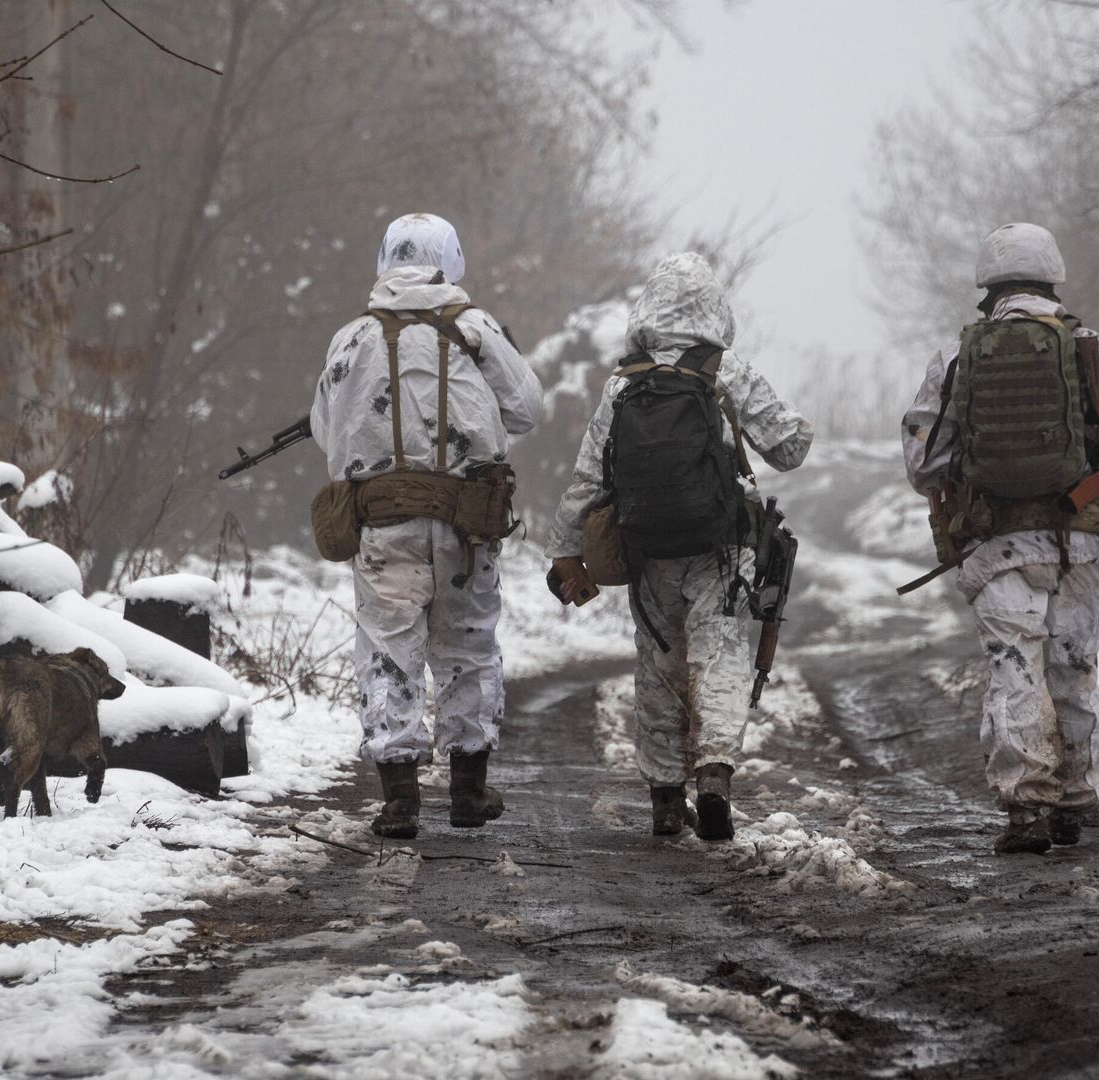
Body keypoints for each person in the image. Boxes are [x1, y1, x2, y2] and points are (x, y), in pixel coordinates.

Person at [901, 223, 1099, 854]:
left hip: (996, 546)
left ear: (988, 285)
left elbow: (922, 463)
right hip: (1084, 541)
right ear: (1052, 277)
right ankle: (1075, 801)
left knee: (1016, 667)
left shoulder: (958, 357)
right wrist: (1085, 491)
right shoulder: (1093, 349)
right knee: (1074, 666)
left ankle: (1028, 808)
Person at [546, 252, 814, 841]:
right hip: (718, 548)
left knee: (658, 665)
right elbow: (793, 447)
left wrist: (565, 550)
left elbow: (588, 479)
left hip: (645, 550)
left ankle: (666, 801)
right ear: (713, 308)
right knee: (718, 654)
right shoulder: (726, 372)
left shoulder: (623, 384)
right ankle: (714, 775)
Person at [310, 212, 542, 839]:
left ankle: (399, 800)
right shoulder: (476, 330)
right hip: (467, 526)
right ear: (452, 258)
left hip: (384, 527)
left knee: (389, 651)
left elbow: (324, 431)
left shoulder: (351, 338)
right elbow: (526, 410)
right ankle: (468, 792)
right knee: (468, 650)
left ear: (385, 257)